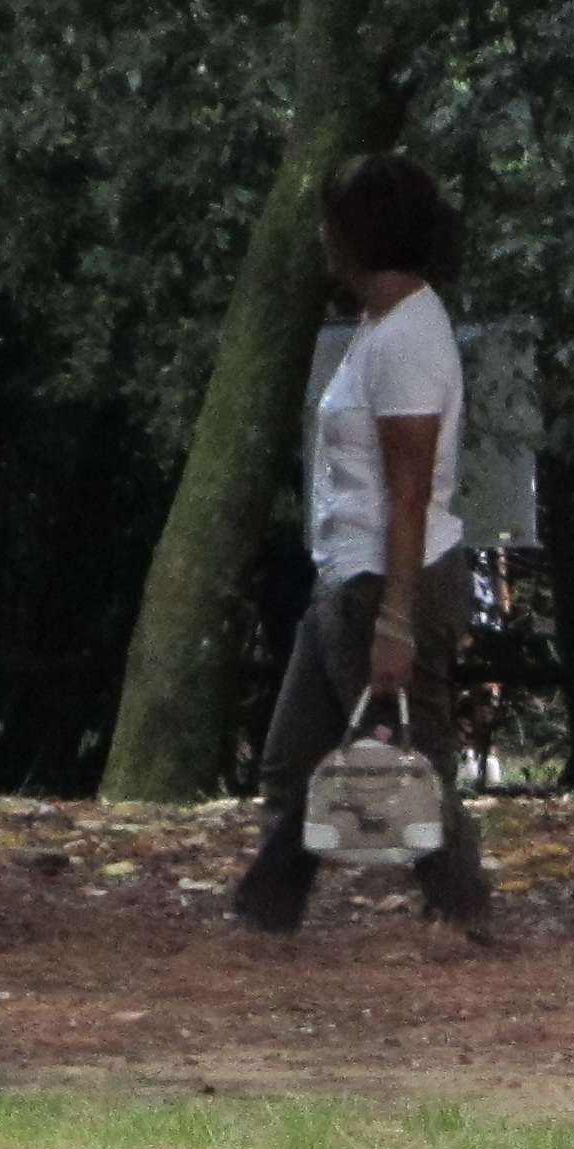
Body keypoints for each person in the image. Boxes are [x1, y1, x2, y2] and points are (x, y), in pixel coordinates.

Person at [231, 153, 494, 939]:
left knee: (414, 759)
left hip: (384, 581)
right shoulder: (382, 326)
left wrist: (396, 620)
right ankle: (267, 910)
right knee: (295, 759)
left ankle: (462, 907)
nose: (321, 234)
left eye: (331, 220)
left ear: (360, 231)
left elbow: (409, 491)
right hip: (345, 574)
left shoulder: (406, 339)